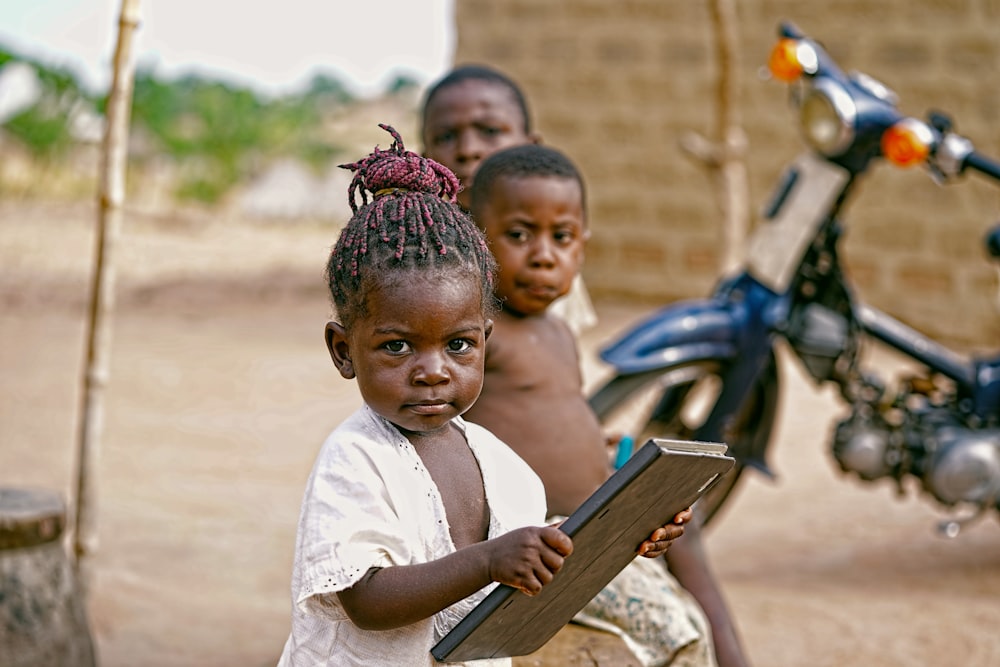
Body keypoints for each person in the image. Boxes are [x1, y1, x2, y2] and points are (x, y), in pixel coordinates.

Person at [277, 125, 690, 667]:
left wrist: (619, 534)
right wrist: (489, 560)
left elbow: (528, 566)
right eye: (397, 346)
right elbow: (367, 600)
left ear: (484, 343)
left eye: (458, 345)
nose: (432, 372)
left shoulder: (501, 465)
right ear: (343, 350)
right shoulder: (356, 459)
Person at [463, 144, 752, 667]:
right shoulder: (479, 333)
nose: (544, 255)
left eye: (562, 237)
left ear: (584, 246)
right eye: (519, 235)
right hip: (534, 548)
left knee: (683, 620)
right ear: (476, 239)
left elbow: (550, 419)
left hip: (590, 539)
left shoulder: (558, 335)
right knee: (680, 635)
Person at [420, 63, 597, 336]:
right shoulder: (415, 257)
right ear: (424, 159)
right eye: (445, 137)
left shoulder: (548, 253)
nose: (468, 150)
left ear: (530, 147)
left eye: (490, 131)